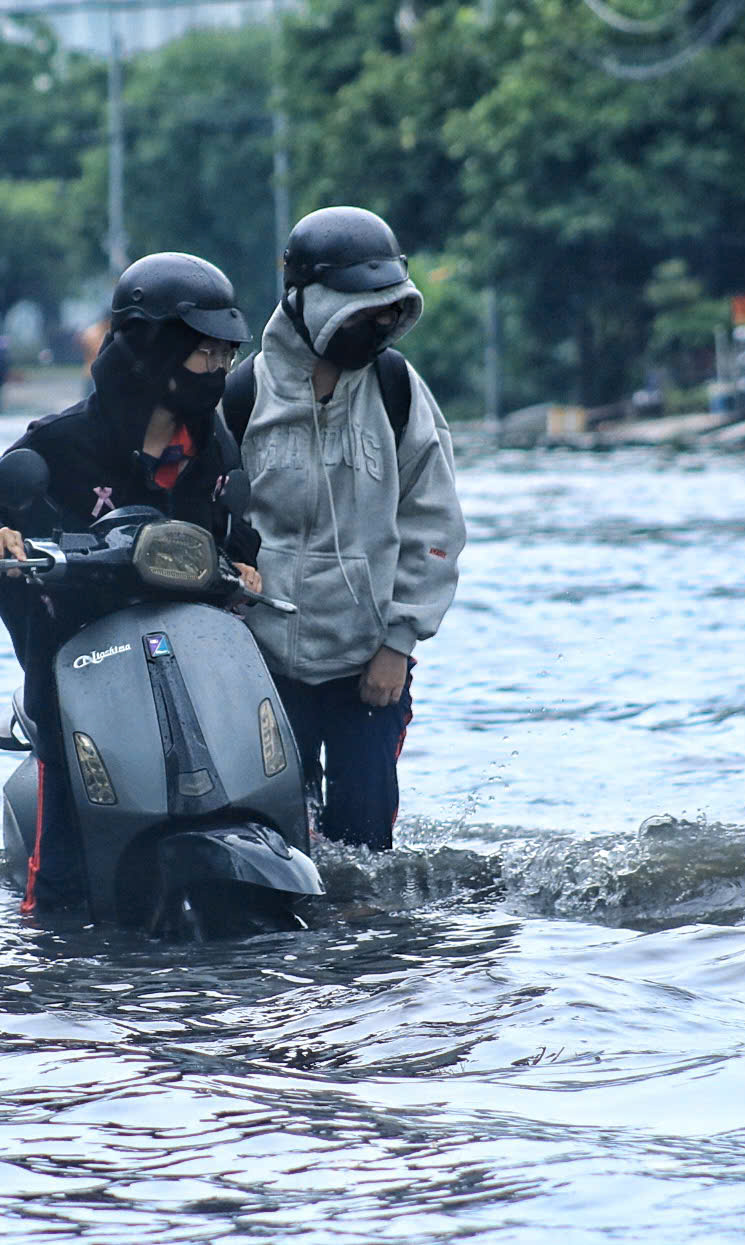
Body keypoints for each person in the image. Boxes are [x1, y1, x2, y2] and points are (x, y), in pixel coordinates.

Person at [0, 253, 261, 911]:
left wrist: (246, 563)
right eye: (202, 353)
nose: (216, 370)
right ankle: (53, 974)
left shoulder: (217, 450)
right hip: (80, 676)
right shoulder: (63, 443)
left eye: (225, 355)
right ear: (152, 349)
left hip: (191, 674)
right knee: (60, 887)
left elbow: (232, 537)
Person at [227, 206, 465, 851]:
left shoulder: (397, 388)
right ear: (305, 300)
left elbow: (435, 522)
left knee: (364, 849)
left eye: (386, 311)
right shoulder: (242, 393)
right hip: (261, 665)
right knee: (277, 844)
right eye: (359, 310)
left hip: (370, 663)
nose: (376, 326)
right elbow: (209, 520)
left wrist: (399, 643)